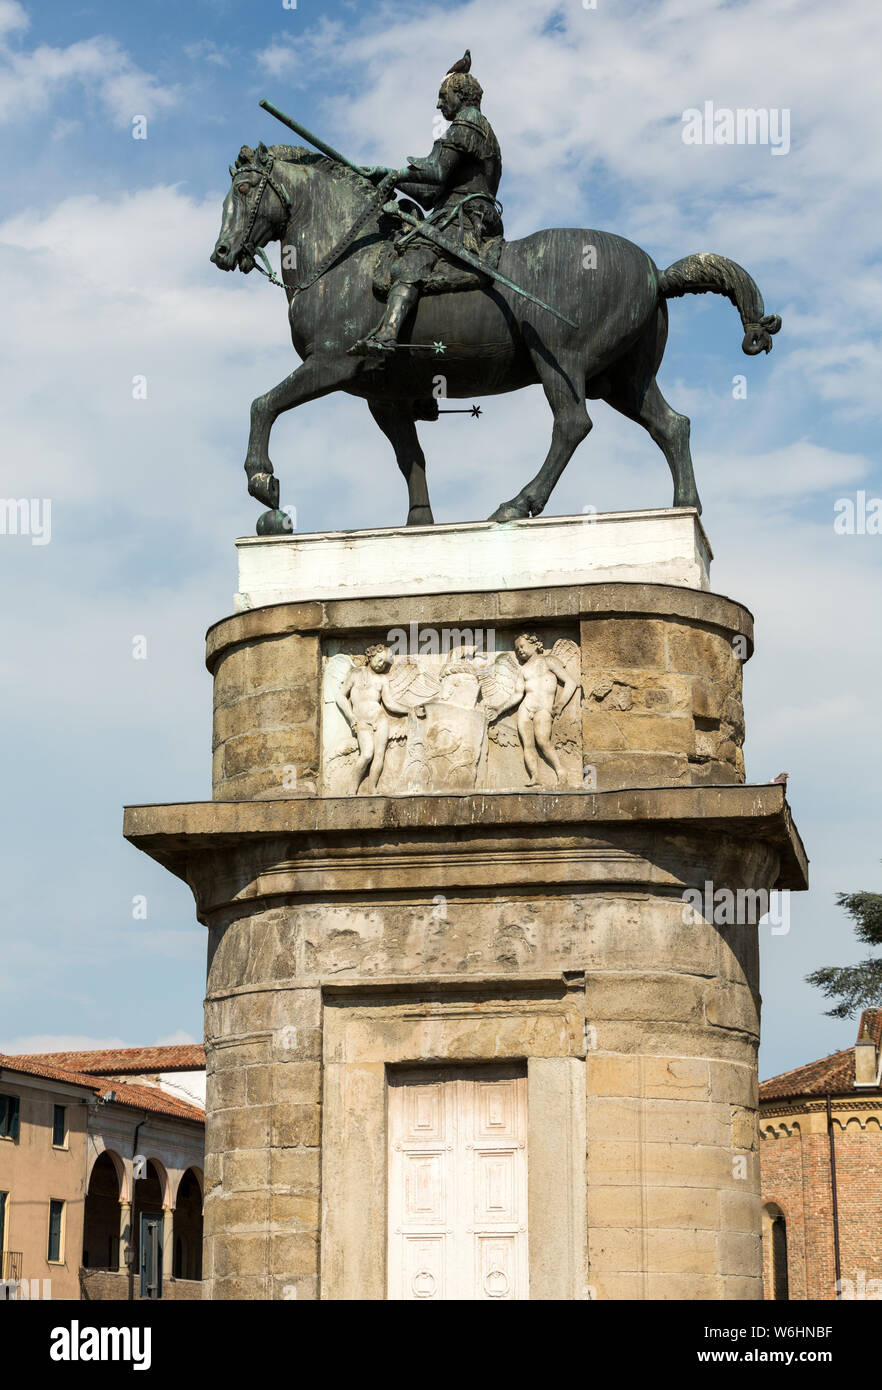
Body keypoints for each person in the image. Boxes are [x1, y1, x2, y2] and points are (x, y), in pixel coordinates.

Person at [349, 69, 503, 356]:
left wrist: (395, 173)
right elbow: (432, 194)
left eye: (443, 97)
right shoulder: (476, 127)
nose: (438, 105)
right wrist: (387, 176)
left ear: (460, 95)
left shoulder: (467, 125)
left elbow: (436, 170)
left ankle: (388, 333)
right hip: (460, 213)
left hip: (465, 219)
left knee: (414, 259)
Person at [336, 645, 425, 793]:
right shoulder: (355, 674)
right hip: (362, 721)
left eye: (385, 663)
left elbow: (389, 703)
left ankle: (372, 788)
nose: (381, 664)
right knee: (366, 754)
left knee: (379, 755)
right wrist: (351, 717)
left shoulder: (383, 680)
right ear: (371, 656)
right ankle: (352, 789)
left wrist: (411, 709)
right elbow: (340, 696)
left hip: (379, 719)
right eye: (379, 660)